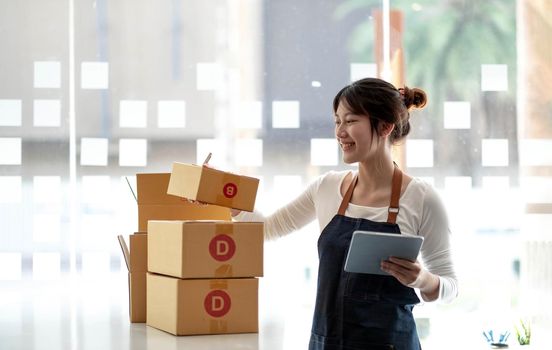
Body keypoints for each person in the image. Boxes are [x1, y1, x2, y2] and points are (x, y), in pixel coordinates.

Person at [231, 77, 458, 350]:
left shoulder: (422, 198)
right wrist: (221, 196)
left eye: (350, 121)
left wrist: (421, 279)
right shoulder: (327, 188)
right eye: (337, 121)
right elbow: (267, 229)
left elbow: (450, 287)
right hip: (326, 343)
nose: (340, 132)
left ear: (385, 126)